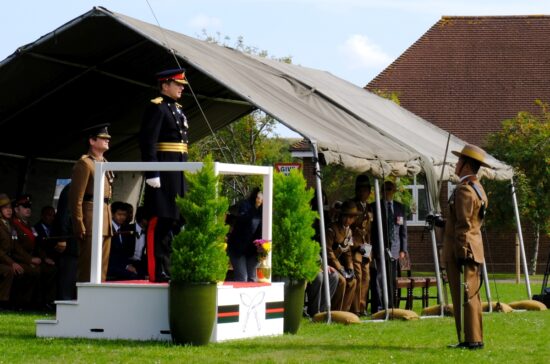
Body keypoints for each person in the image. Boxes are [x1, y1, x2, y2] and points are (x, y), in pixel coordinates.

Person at [139, 68, 189, 282]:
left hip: (177, 171)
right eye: (177, 85)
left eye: (182, 85)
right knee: (160, 221)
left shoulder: (177, 109)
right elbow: (148, 141)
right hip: (163, 171)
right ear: (165, 85)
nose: (181, 88)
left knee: (175, 220)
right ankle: (156, 270)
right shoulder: (157, 108)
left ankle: (169, 267)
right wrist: (152, 171)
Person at [444, 144, 489, 350]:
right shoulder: (478, 188)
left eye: (460, 160)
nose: (456, 163)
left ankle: (470, 340)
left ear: (466, 166)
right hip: (473, 246)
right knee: (472, 295)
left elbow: (464, 224)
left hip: (462, 249)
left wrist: (461, 251)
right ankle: (474, 337)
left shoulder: (464, 189)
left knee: (465, 295)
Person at [69, 124, 114, 282]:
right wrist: (78, 223)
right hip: (90, 218)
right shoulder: (85, 163)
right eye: (103, 138)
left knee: (102, 265)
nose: (108, 141)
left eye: (108, 138)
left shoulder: (105, 162)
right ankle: (85, 300)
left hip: (105, 216)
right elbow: (76, 197)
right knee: (88, 264)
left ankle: (98, 299)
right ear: (92, 141)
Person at [370, 180, 408, 313]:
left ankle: (392, 306)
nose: (388, 192)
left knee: (392, 279)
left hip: (395, 249)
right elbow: (371, 230)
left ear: (394, 191)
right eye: (385, 189)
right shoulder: (374, 207)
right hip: (379, 248)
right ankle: (379, 307)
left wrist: (403, 249)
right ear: (381, 191)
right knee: (379, 278)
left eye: (390, 189)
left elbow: (403, 230)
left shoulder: (400, 207)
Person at [12, 195, 57, 308]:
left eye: (29, 207)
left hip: (33, 258)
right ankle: (24, 303)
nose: (28, 209)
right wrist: (30, 260)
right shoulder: (14, 225)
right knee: (34, 271)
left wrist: (44, 257)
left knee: (51, 269)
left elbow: (37, 244)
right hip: (19, 259)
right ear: (16, 209)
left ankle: (45, 301)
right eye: (25, 207)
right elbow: (15, 247)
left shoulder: (29, 225)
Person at [0, 193, 40, 309]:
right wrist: (12, 263)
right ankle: (3, 303)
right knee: (9, 271)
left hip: (9, 259)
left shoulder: (10, 225)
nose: (9, 211)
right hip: (4, 260)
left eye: (10, 208)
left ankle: (22, 303)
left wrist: (29, 260)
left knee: (31, 271)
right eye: (5, 208)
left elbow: (16, 246)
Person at [325, 200, 359, 312]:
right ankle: (335, 311)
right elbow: (328, 252)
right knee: (342, 281)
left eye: (351, 218)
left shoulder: (349, 231)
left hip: (341, 266)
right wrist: (341, 269)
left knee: (353, 281)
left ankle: (344, 311)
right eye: (345, 216)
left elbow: (348, 252)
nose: (347, 220)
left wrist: (350, 268)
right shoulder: (332, 229)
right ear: (341, 216)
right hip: (329, 264)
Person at [348, 174, 374, 316]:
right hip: (355, 246)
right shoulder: (352, 205)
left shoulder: (369, 207)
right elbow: (350, 227)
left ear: (369, 192)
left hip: (366, 247)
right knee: (358, 276)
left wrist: (370, 247)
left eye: (365, 190)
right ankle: (355, 308)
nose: (362, 193)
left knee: (366, 277)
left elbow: (369, 229)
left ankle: (362, 306)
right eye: (360, 190)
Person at [227, 188, 263, 282]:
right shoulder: (246, 206)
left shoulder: (265, 210)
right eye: (258, 197)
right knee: (242, 277)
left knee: (252, 278)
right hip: (238, 248)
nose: (260, 200)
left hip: (253, 249)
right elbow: (242, 220)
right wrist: (254, 210)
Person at [52, 183, 79, 300]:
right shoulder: (72, 189)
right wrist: (62, 238)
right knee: (68, 276)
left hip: (79, 241)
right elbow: (64, 215)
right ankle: (64, 305)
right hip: (71, 240)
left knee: (74, 277)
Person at [107, 202, 138, 281]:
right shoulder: (108, 228)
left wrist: (127, 265)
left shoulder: (123, 229)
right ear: (112, 214)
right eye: (119, 214)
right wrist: (126, 266)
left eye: (124, 215)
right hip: (109, 266)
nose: (122, 217)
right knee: (132, 276)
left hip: (120, 265)